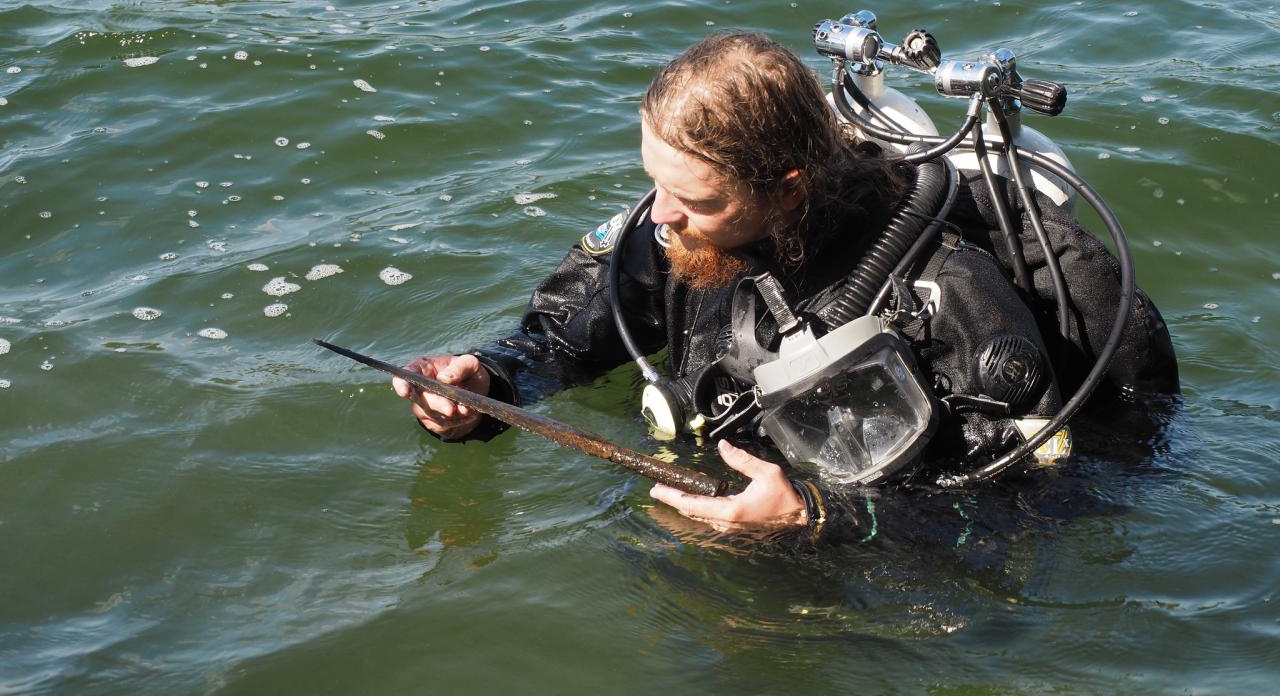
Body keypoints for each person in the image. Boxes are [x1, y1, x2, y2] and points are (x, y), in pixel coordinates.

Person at [391, 32, 1078, 538]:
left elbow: (1026, 508)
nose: (661, 214)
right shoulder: (679, 226)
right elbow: (564, 335)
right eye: (655, 180)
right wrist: (488, 382)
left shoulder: (946, 295)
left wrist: (819, 518)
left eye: (694, 198)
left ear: (787, 192)